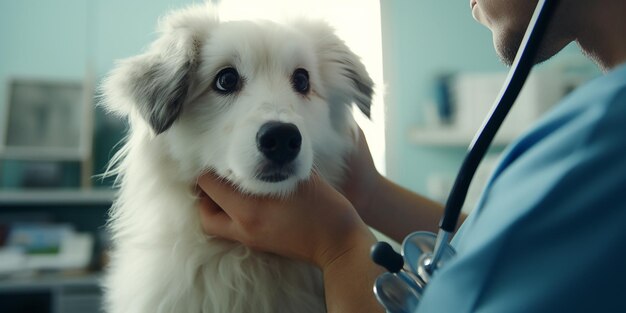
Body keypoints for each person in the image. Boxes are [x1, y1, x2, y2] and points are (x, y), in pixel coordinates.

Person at [196, 0, 626, 311]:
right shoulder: (598, 135)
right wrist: (370, 195)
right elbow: (524, 258)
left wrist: (341, 247)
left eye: (301, 81)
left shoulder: (604, 145)